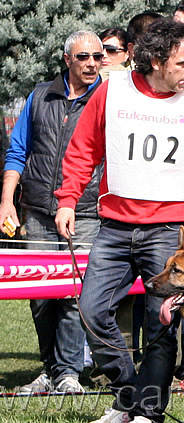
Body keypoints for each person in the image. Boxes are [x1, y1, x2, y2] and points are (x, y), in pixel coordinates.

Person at [54, 18, 184, 423]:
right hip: (112, 227)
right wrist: (68, 198)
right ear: (156, 60)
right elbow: (83, 148)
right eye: (183, 63)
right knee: (91, 311)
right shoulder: (111, 91)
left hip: (167, 231)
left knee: (161, 327)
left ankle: (148, 416)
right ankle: (129, 395)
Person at [0, 31, 104, 394]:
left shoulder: (107, 98)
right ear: (67, 60)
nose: (91, 63)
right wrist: (7, 200)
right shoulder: (40, 95)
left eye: (97, 56)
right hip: (39, 209)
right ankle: (49, 370)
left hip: (87, 210)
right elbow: (17, 151)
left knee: (75, 292)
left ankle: (70, 372)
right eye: (83, 57)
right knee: (41, 293)